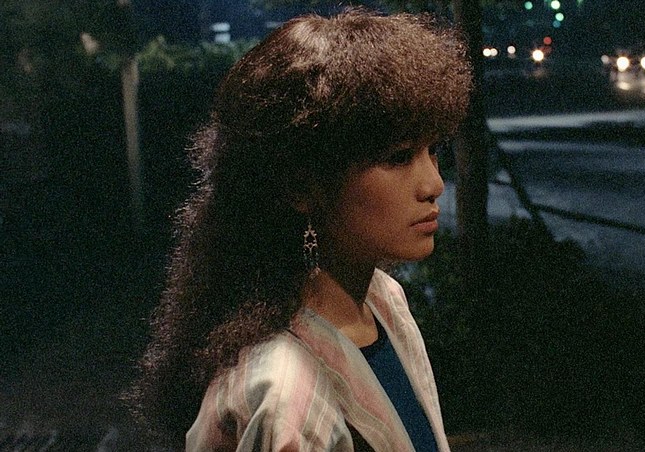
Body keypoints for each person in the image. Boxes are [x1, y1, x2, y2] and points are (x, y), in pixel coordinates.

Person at [124, 8, 473, 452]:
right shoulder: (284, 393)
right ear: (301, 185)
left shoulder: (383, 300)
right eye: (398, 156)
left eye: (433, 149)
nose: (434, 183)